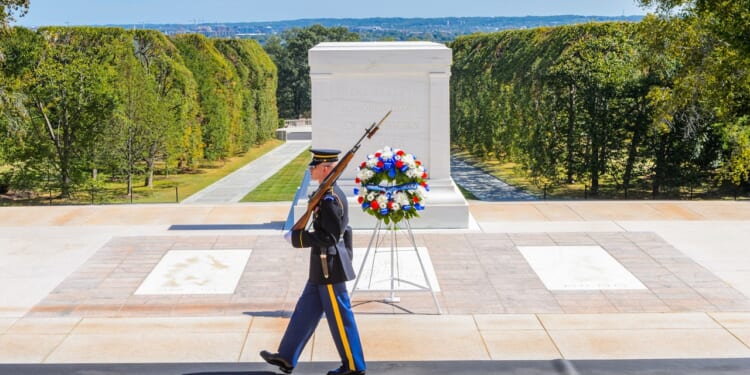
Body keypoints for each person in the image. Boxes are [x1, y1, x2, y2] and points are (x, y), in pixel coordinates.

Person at [261, 149, 366, 375]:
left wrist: (298, 238)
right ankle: (287, 356)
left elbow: (329, 237)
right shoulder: (326, 193)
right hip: (321, 266)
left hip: (329, 267)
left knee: (340, 318)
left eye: (314, 166)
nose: (310, 169)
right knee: (305, 311)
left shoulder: (329, 199)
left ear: (326, 169)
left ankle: (354, 365)